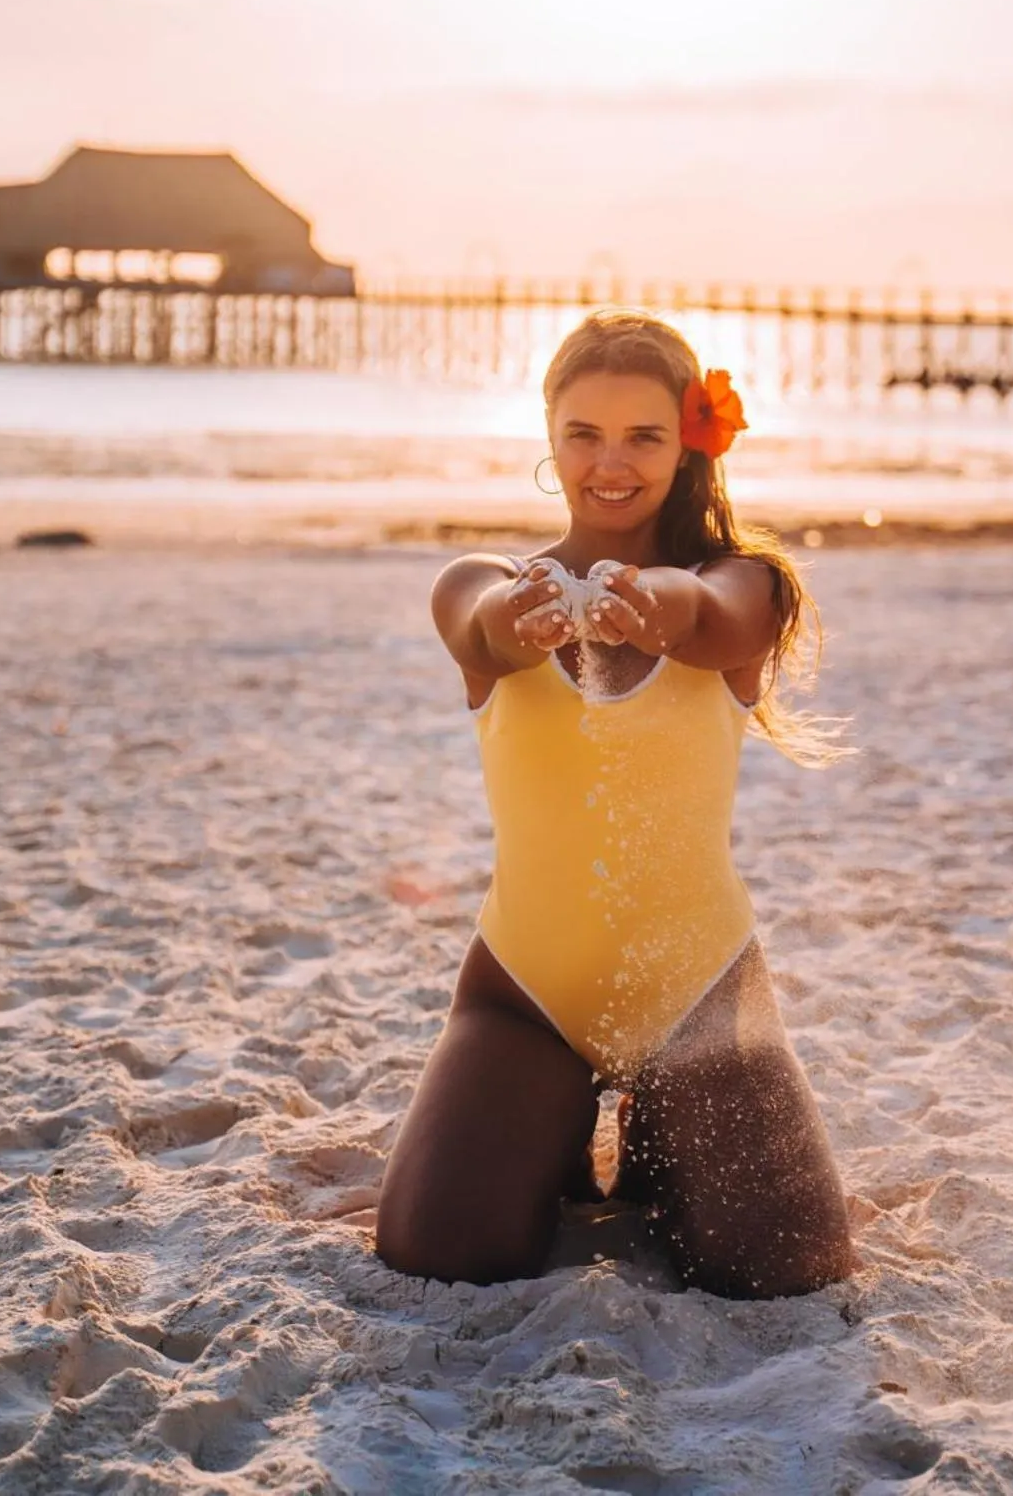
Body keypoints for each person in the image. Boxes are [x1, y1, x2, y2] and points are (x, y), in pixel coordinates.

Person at [374, 309, 853, 1298]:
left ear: (687, 446)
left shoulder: (743, 583)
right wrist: (519, 619)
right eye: (583, 434)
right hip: (525, 995)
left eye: (642, 435)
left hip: (700, 995)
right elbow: (477, 625)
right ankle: (552, 1126)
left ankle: (652, 1137)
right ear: (549, 440)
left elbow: (710, 617)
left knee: (782, 1271)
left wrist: (650, 606)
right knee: (442, 1256)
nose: (610, 462)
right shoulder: (482, 582)